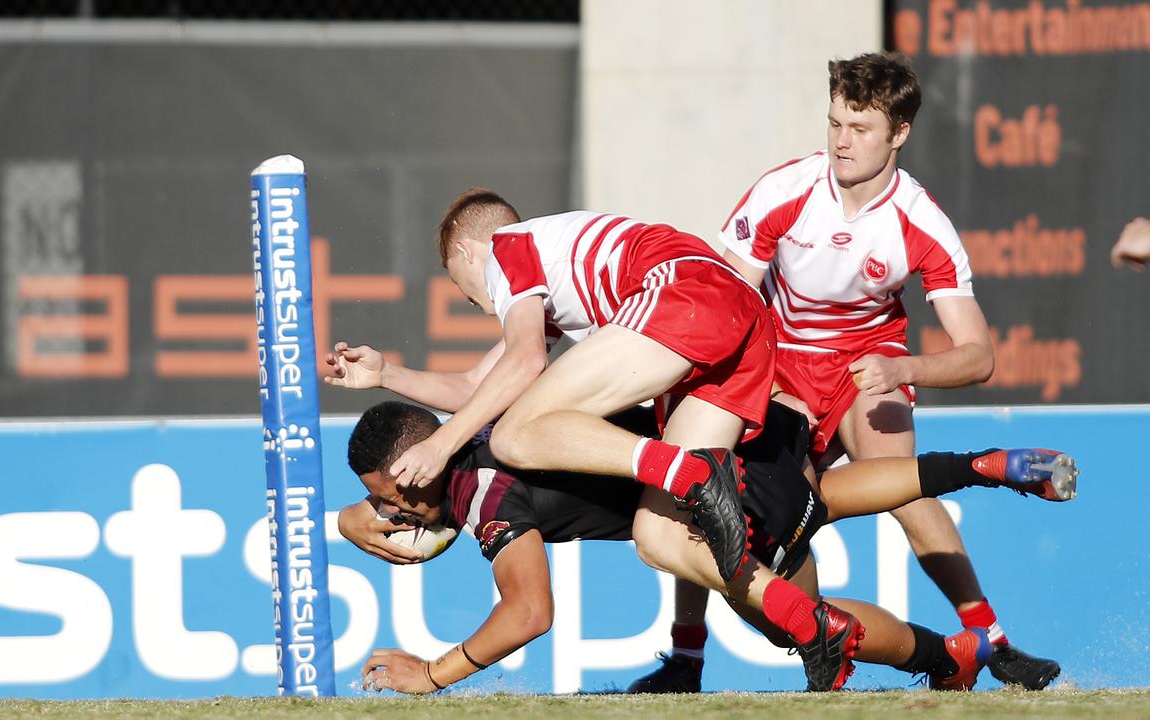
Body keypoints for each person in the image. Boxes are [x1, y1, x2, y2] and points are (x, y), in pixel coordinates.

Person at [632, 51, 1059, 694]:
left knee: (909, 494)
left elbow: (979, 355)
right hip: (775, 364)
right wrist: (762, 384)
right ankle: (689, 661)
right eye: (834, 123)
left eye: (860, 129)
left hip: (867, 368)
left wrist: (902, 366)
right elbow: (728, 309)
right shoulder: (783, 191)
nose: (841, 141)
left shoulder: (921, 223)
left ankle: (994, 645)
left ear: (900, 134)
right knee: (713, 495)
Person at [342, 401, 1077, 694]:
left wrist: (433, 673)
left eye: (394, 492)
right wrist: (351, 518)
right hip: (745, 431)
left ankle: (949, 656)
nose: (390, 507)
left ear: (424, 469)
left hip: (723, 489)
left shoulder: (489, 495)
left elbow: (531, 611)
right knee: (822, 498)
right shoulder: (476, 427)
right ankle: (977, 466)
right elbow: (419, 513)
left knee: (796, 614)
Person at [326, 191, 777, 587]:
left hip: (686, 293)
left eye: (462, 288)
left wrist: (441, 445)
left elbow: (525, 363)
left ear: (466, 252)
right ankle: (810, 626)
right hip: (740, 316)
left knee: (512, 436)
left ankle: (691, 472)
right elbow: (477, 391)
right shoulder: (548, 283)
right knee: (660, 537)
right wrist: (387, 375)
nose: (477, 305)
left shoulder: (507, 248)